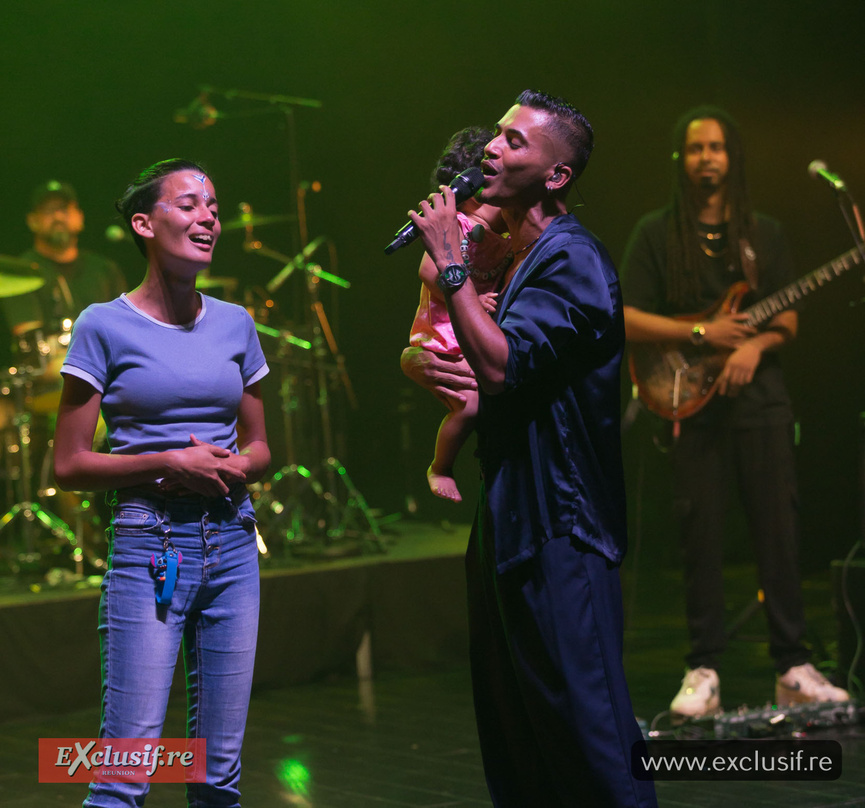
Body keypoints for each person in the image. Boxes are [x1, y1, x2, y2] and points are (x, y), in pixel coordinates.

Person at [403, 90, 656, 807]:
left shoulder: (573, 258)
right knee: (518, 724)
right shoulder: (519, 258)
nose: (491, 147)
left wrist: (450, 265)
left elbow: (504, 364)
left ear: (556, 176)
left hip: (562, 520)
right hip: (512, 507)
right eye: (496, 134)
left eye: (515, 141)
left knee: (591, 729)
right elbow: (499, 383)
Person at [53, 158, 270, 806]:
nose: (209, 217)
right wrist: (170, 461)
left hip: (233, 541)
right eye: (189, 204)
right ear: (145, 224)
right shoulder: (102, 324)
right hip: (151, 544)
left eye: (213, 205)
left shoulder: (236, 322)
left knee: (217, 776)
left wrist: (236, 466)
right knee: (125, 773)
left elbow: (260, 447)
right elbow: (68, 465)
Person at [620, 106, 849, 721]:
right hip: (689, 405)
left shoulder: (764, 234)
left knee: (779, 530)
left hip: (761, 404)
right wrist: (701, 332)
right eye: (696, 149)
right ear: (681, 160)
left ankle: (793, 667)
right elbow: (623, 317)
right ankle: (704, 668)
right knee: (701, 538)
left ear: (732, 158)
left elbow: (789, 319)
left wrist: (752, 344)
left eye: (717, 148)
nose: (707, 158)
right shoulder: (655, 233)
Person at [409, 126, 512, 502]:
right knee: (469, 406)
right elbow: (428, 271)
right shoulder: (459, 224)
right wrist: (470, 294)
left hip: (474, 327)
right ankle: (440, 466)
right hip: (446, 329)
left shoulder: (504, 223)